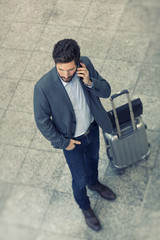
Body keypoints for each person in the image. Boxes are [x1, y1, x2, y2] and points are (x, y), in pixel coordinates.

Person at [33, 39, 117, 231]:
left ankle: (94, 183)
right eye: (60, 69)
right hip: (72, 141)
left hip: (92, 129)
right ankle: (85, 207)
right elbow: (42, 121)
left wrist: (89, 82)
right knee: (78, 178)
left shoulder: (85, 65)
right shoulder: (43, 87)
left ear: (78, 63)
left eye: (70, 70)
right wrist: (63, 142)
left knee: (94, 159)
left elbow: (106, 91)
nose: (65, 74)